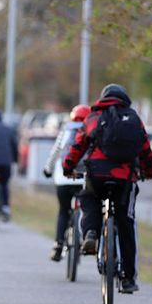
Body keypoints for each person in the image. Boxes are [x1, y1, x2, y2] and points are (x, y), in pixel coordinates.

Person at [62, 84, 152, 293]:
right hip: (125, 178)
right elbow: (145, 149)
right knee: (126, 223)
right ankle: (128, 279)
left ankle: (91, 233)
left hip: (97, 174)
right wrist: (149, 172)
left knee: (88, 199)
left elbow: (78, 146)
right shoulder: (133, 119)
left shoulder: (93, 117)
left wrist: (68, 167)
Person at [43, 104, 91, 261]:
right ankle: (86, 238)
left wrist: (48, 169)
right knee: (87, 208)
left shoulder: (66, 130)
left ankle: (58, 244)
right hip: (84, 178)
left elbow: (56, 151)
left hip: (64, 178)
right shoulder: (92, 130)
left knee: (63, 210)